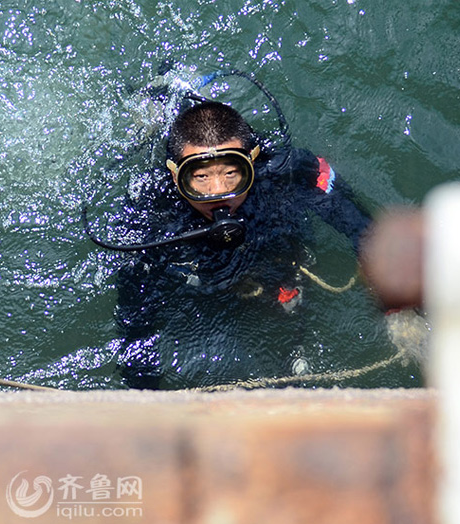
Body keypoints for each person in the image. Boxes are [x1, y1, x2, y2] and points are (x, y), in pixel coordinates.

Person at [110, 90, 375, 389]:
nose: (218, 192)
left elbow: (363, 229)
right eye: (200, 178)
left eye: (231, 173)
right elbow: (135, 315)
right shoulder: (153, 207)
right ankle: (158, 114)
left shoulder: (285, 172)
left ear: (252, 164)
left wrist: (398, 308)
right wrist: (144, 390)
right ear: (176, 177)